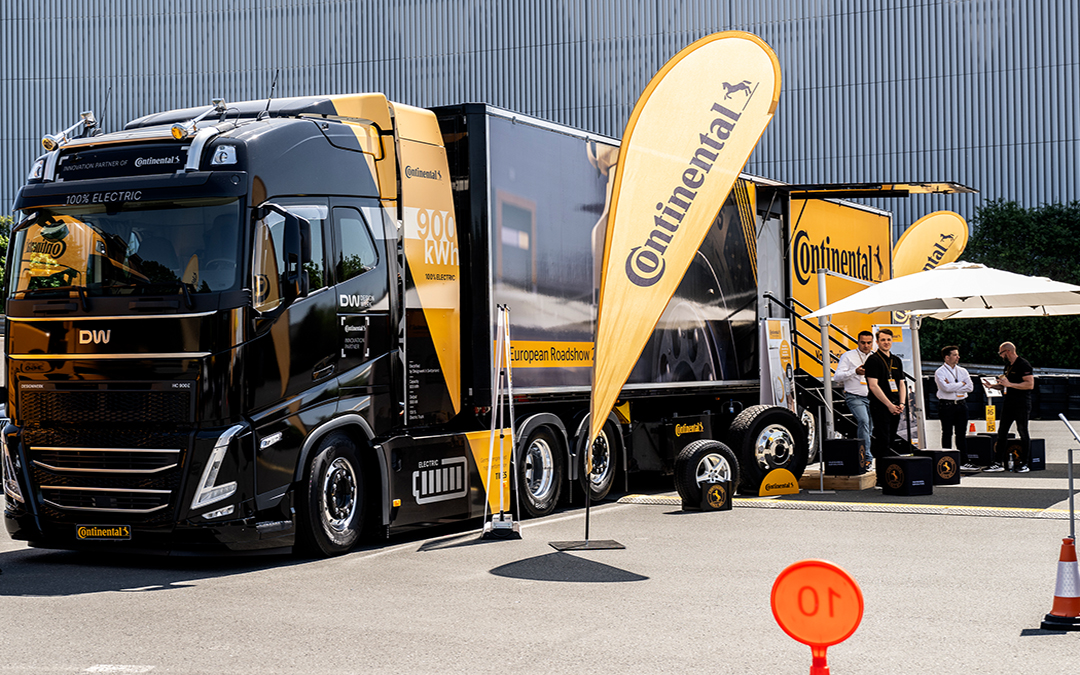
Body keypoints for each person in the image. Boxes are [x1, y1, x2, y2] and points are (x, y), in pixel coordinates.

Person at [987, 341, 1034, 473]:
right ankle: (998, 462)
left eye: (1001, 353)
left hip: (1021, 403)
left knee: (1022, 431)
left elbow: (1029, 384)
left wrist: (1010, 384)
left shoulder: (1023, 364)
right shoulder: (1008, 366)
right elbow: (1006, 385)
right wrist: (994, 386)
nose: (1000, 356)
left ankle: (1025, 463)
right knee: (1002, 432)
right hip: (1009, 402)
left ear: (1007, 352)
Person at [865, 328, 907, 460]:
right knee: (882, 439)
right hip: (880, 406)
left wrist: (902, 403)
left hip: (896, 405)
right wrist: (889, 405)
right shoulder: (873, 360)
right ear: (877, 342)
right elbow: (873, 385)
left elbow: (901, 383)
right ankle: (881, 469)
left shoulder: (896, 360)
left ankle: (889, 468)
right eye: (883, 340)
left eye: (889, 339)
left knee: (891, 439)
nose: (886, 342)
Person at [834, 330, 875, 466]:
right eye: (863, 343)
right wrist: (854, 372)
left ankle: (864, 454)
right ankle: (867, 457)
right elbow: (837, 377)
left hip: (873, 397)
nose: (866, 345)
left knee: (870, 426)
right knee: (863, 421)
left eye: (869, 343)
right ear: (858, 342)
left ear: (872, 343)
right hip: (854, 396)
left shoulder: (875, 357)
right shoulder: (848, 356)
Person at [934, 345, 975, 470]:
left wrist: (954, 385)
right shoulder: (940, 372)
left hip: (961, 404)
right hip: (947, 405)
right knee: (947, 433)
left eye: (957, 354)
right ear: (947, 357)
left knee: (961, 434)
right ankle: (946, 459)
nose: (958, 357)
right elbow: (945, 388)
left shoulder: (962, 371)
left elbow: (970, 387)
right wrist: (961, 384)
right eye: (955, 355)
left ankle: (964, 461)